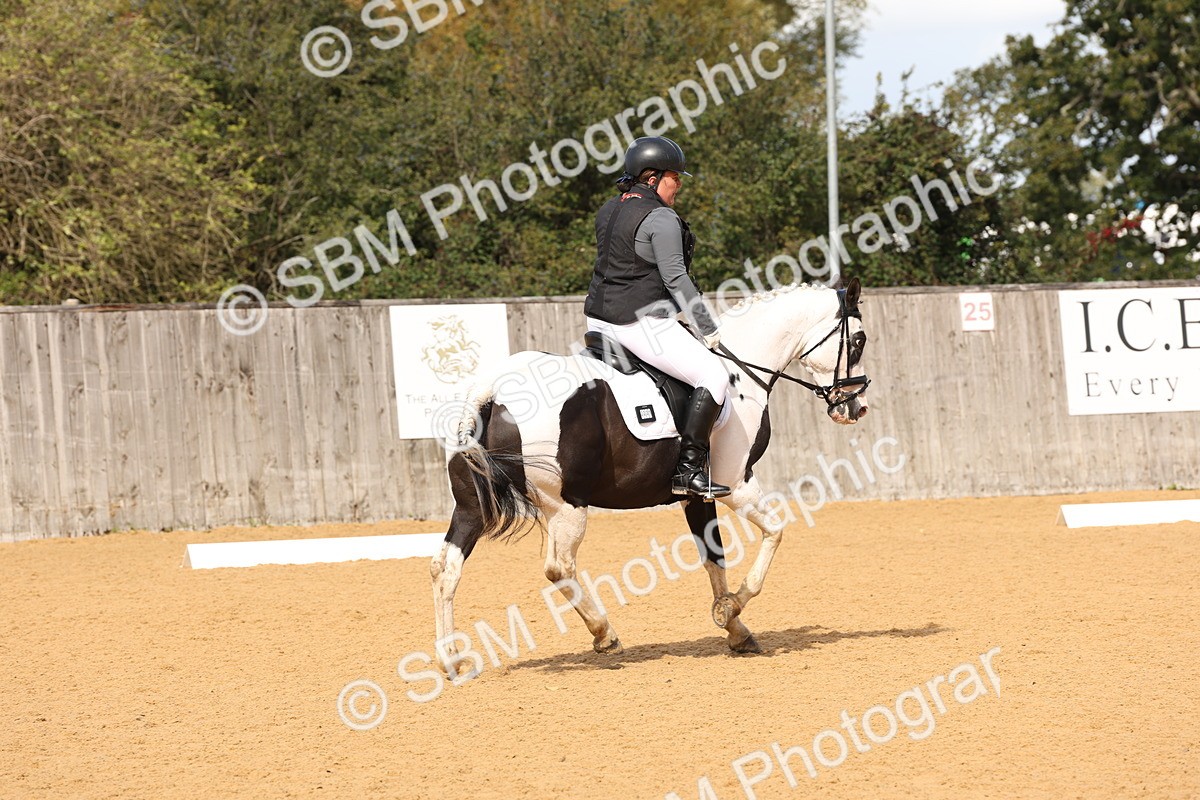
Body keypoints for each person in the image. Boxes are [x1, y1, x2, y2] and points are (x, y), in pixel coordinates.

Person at [583, 136, 731, 498]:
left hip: (598, 321)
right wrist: (708, 328)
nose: (678, 184)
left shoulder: (609, 208)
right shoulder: (660, 218)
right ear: (651, 178)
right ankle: (689, 470)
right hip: (637, 324)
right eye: (674, 178)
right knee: (714, 373)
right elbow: (676, 278)